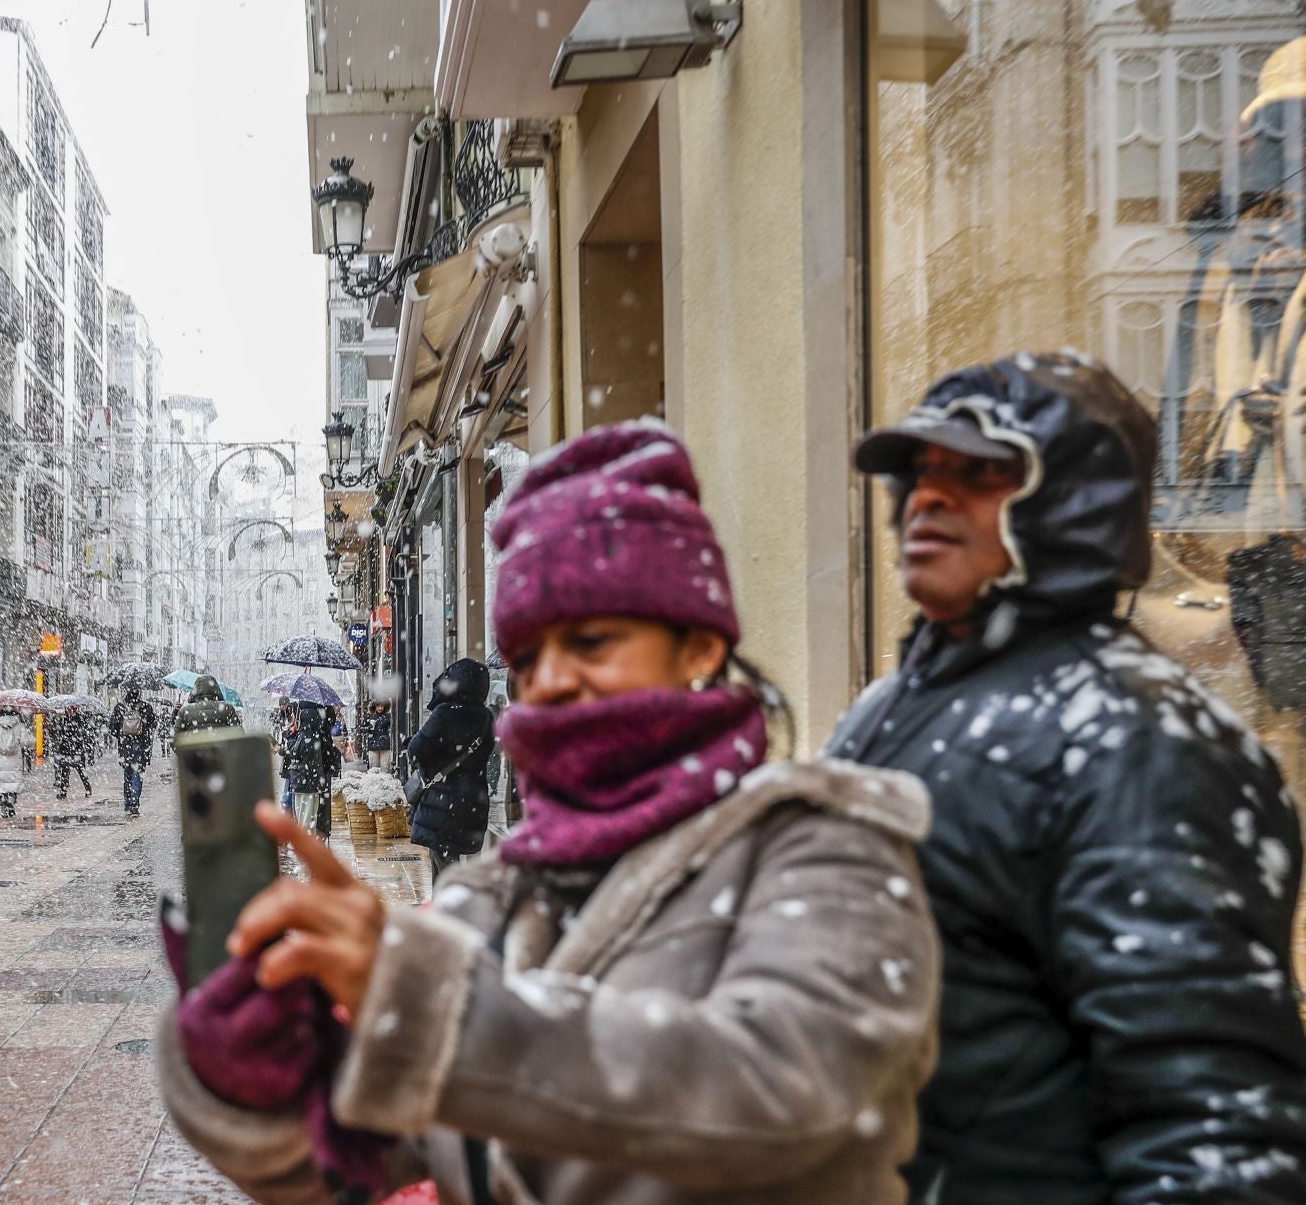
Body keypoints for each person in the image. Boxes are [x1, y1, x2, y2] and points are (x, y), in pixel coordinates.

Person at [155, 419, 940, 1205]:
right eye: (528, 659)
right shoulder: (493, 897)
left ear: (701, 647)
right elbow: (346, 1169)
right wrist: (254, 1074)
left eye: (592, 640)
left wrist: (428, 1008)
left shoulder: (828, 849)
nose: (553, 680)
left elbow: (785, 1092)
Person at [830, 353, 1306, 1203]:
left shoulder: (1142, 741)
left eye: (981, 473)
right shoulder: (886, 707)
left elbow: (1209, 1122)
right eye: (921, 470)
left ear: (1074, 503)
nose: (928, 497)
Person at [406, 658, 495, 880]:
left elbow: (416, 750)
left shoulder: (444, 713)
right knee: (451, 868)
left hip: (442, 802)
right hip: (473, 800)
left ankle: (449, 912)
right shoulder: (486, 717)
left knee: (446, 870)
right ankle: (444, 909)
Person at [281, 699, 343, 836]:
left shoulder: (307, 734)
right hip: (316, 774)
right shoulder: (316, 730)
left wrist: (291, 738)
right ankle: (317, 834)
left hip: (305, 778)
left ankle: (306, 839)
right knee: (312, 810)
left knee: (304, 811)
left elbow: (295, 751)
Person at [108, 688, 158, 817]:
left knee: (128, 775)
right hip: (141, 747)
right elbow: (153, 725)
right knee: (138, 775)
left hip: (125, 747)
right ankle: (134, 803)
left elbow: (113, 729)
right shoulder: (146, 707)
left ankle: (128, 802)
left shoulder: (120, 707)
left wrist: (123, 732)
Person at [0, 711, 30, 819]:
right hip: (15, 757)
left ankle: (3, 800)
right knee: (13, 780)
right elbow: (25, 742)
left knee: (1, 781)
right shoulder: (20, 725)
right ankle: (11, 799)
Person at [173, 674, 241, 743]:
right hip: (222, 752)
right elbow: (239, 736)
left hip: (194, 752)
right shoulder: (227, 709)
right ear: (216, 689)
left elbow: (175, 740)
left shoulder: (184, 712)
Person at [50, 707, 93, 801]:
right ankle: (63, 792)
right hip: (66, 750)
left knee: (81, 771)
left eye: (70, 709)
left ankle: (88, 789)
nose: (68, 711)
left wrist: (71, 737)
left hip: (77, 751)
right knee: (65, 772)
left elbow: (81, 735)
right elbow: (62, 734)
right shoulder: (64, 720)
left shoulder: (79, 719)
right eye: (67, 709)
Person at [361, 700, 394, 772]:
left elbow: (393, 728)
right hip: (373, 745)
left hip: (385, 745)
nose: (380, 708)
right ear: (374, 706)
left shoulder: (388, 716)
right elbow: (361, 729)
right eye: (378, 706)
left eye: (382, 706)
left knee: (385, 768)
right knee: (373, 768)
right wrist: (368, 728)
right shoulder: (369, 716)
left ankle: (385, 782)